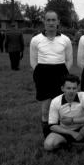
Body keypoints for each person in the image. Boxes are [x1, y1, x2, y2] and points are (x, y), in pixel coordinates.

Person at [30, 10, 73, 138]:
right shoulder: (35, 40)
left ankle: (61, 134)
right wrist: (38, 71)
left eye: (53, 20)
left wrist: (64, 74)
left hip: (60, 74)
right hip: (42, 74)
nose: (51, 23)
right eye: (48, 20)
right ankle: (47, 135)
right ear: (44, 21)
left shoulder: (65, 40)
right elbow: (33, 59)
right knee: (46, 108)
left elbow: (69, 59)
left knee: (60, 106)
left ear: (58, 22)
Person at [44, 74, 84, 154]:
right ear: (62, 88)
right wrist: (72, 133)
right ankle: (69, 145)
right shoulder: (55, 101)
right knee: (48, 145)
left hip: (82, 129)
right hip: (64, 131)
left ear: (78, 88)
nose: (71, 91)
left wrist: (72, 120)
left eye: (74, 88)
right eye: (68, 88)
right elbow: (52, 126)